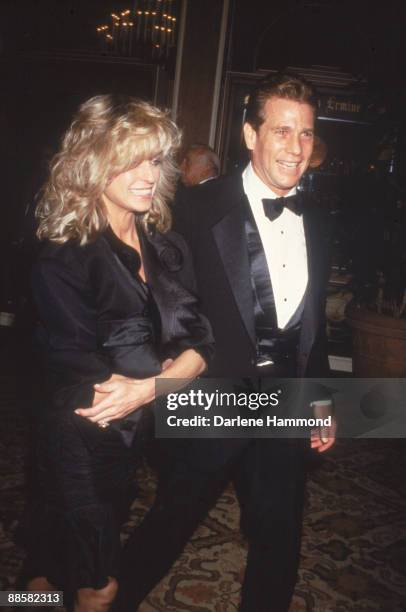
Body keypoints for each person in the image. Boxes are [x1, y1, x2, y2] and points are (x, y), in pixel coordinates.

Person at [115, 73, 337, 612]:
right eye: (281, 131)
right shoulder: (192, 209)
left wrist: (322, 399)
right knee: (172, 520)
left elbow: (314, 322)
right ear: (249, 134)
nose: (295, 147)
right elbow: (160, 305)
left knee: (280, 532)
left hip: (282, 397)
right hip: (213, 393)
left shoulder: (321, 221)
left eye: (305, 134)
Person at [23, 94, 214, 612]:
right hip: (79, 435)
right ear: (92, 164)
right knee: (98, 585)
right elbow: (90, 372)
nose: (148, 174)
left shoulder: (167, 247)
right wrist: (174, 374)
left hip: (128, 440)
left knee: (51, 574)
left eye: (153, 159)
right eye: (129, 160)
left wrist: (155, 385)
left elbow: (202, 341)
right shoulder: (65, 256)